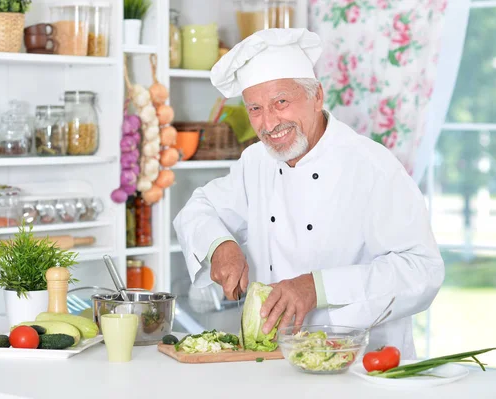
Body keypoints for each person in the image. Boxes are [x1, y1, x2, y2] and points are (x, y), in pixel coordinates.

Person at [173, 28, 444, 358]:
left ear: (317, 96)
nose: (269, 123)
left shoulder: (372, 166)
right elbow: (199, 208)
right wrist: (220, 245)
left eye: (281, 102)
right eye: (255, 108)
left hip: (362, 367)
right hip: (274, 361)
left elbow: (423, 272)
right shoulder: (255, 161)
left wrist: (317, 287)